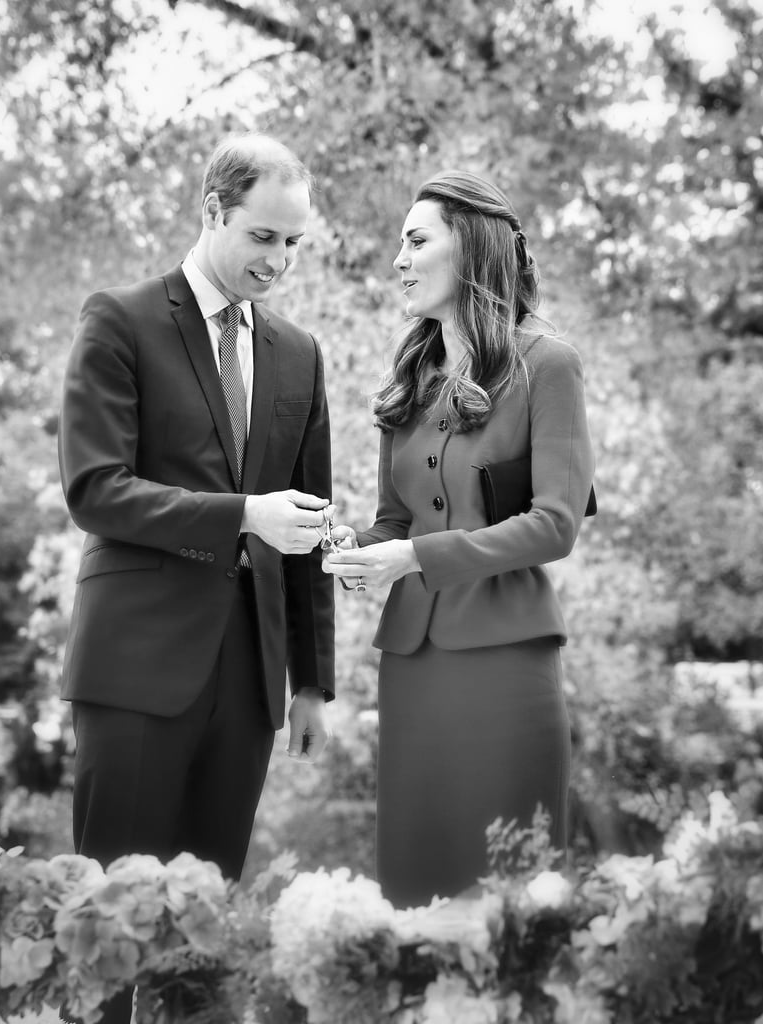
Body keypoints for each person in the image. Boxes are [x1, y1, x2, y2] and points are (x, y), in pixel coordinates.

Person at [57, 133, 335, 1024]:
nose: (279, 261)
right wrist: (239, 514)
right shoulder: (120, 318)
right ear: (212, 211)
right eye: (263, 237)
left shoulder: (300, 355)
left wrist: (313, 682)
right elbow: (95, 489)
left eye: (295, 243)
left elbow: (308, 520)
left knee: (201, 950)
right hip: (135, 669)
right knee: (104, 936)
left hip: (247, 683)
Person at [323, 171, 595, 910]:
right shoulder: (407, 380)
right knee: (417, 887)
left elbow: (554, 524)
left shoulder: (548, 364)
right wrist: (355, 551)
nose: (398, 261)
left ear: (469, 248)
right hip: (413, 666)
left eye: (415, 241)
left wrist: (412, 557)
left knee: (511, 896)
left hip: (507, 662)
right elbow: (395, 522)